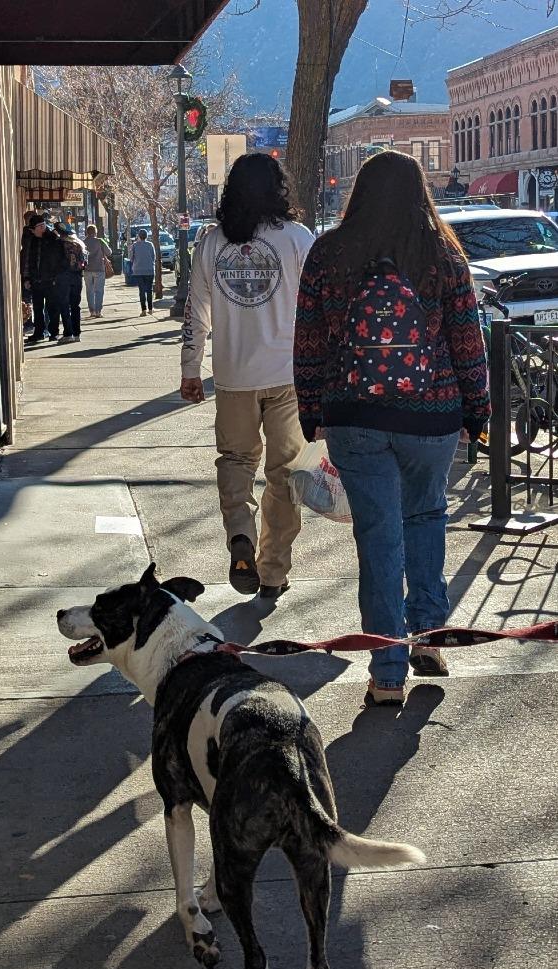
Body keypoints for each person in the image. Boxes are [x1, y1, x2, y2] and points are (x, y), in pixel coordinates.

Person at [293, 150, 489, 705]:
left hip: (354, 415)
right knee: (426, 516)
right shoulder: (441, 252)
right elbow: (466, 337)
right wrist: (477, 408)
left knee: (378, 534)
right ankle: (429, 637)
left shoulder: (329, 253)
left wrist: (312, 408)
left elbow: (307, 337)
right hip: (433, 414)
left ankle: (386, 673)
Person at [180, 153, 314, 600]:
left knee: (236, 462)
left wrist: (190, 368)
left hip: (233, 376)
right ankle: (273, 571)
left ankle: (242, 533)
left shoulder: (212, 243)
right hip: (288, 377)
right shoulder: (298, 239)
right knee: (285, 474)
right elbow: (317, 313)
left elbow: (195, 312)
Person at [23, 214, 65, 342]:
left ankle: (53, 332)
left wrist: (55, 278)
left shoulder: (53, 239)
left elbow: (59, 261)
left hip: (50, 280)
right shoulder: (32, 241)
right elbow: (28, 261)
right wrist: (27, 278)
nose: (39, 229)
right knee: (38, 308)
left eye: (41, 226)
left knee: (52, 308)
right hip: (36, 280)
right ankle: (39, 332)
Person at [55, 222, 87, 341]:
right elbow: (84, 262)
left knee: (64, 305)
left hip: (63, 277)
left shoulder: (59, 244)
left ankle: (68, 334)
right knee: (75, 306)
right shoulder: (79, 244)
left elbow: (56, 262)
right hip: (77, 277)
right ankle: (77, 333)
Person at [84, 224, 112, 318]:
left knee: (89, 291)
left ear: (87, 232)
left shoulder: (82, 242)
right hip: (99, 268)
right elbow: (109, 252)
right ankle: (98, 311)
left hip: (87, 269)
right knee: (99, 291)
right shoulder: (100, 241)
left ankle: (91, 311)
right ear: (95, 232)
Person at [128, 229, 156, 315]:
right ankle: (150, 309)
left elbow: (131, 258)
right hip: (149, 270)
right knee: (149, 290)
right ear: (146, 236)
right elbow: (153, 257)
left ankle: (143, 310)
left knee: (141, 290)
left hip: (138, 270)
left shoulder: (135, 245)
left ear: (139, 236)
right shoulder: (150, 245)